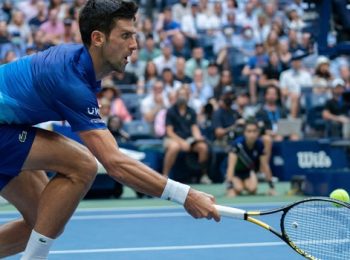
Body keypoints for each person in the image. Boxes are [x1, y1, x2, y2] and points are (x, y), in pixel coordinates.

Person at [0, 1, 220, 259]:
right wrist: (186, 195)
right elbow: (114, 163)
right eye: (125, 35)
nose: (134, 44)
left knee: (43, 220)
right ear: (98, 38)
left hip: (9, 128)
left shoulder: (81, 69)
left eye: (134, 35)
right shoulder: (70, 80)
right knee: (83, 165)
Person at [163, 86, 211, 184]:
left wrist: (198, 137)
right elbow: (169, 132)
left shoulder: (192, 111)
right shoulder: (171, 111)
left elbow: (194, 128)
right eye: (180, 94)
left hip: (188, 139)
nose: (182, 97)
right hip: (173, 139)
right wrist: (182, 142)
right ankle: (164, 176)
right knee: (174, 147)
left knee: (203, 147)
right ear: (176, 96)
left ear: (188, 96)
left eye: (184, 94)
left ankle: (203, 175)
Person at [225, 120, 276, 197]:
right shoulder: (237, 145)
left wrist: (271, 187)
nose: (252, 134)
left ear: (258, 132)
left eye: (254, 131)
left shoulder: (259, 144)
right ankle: (237, 184)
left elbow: (265, 165)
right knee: (238, 189)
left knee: (252, 189)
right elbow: (230, 167)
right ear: (244, 133)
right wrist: (230, 188)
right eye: (249, 131)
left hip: (248, 172)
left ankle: (244, 183)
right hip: (236, 173)